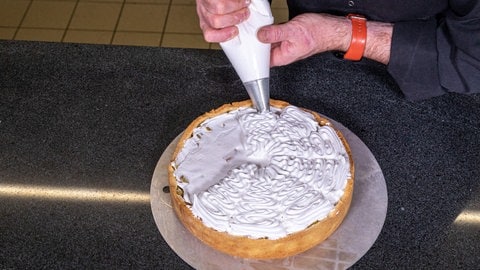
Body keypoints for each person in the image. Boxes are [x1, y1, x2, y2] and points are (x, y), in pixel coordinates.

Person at [195, 0, 480, 100]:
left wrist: (344, 34)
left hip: (436, 87)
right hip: (305, 64)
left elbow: (473, 59)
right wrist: (229, 7)